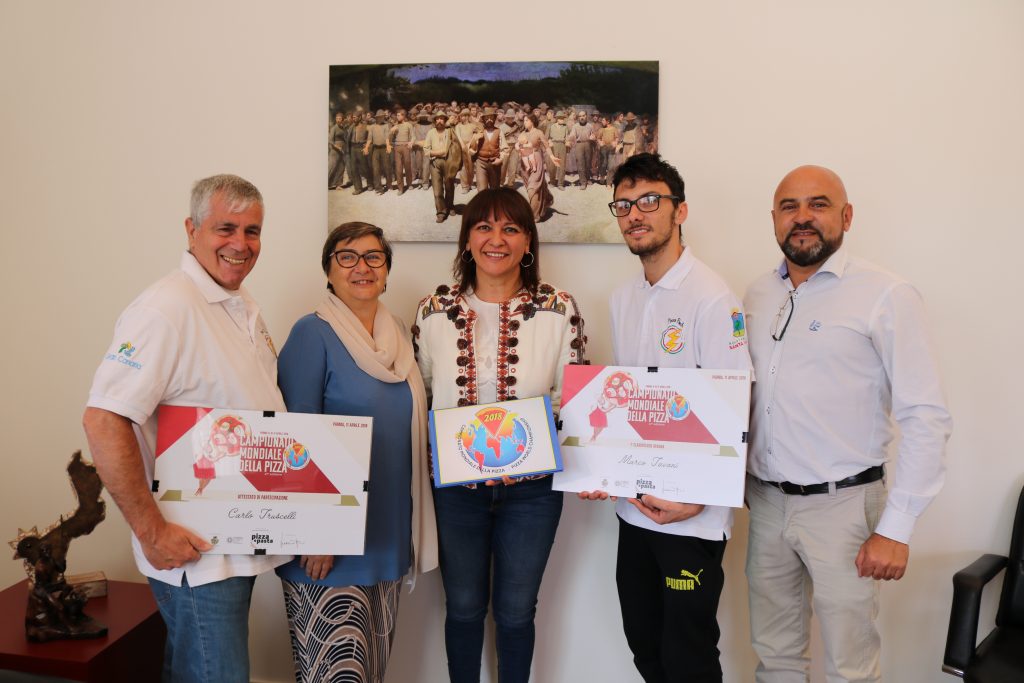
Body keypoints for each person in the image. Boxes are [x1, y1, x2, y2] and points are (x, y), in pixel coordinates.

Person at [743, 165, 953, 682]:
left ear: (847, 216)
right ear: (773, 219)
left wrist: (896, 528)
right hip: (765, 505)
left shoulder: (886, 294)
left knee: (850, 667)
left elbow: (925, 415)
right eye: (789, 207)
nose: (803, 217)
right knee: (775, 657)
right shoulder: (757, 294)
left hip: (845, 508)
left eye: (818, 204)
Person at [82, 174, 288, 683]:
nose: (241, 244)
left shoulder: (238, 303)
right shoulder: (166, 309)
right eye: (225, 228)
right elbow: (104, 419)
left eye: (253, 231)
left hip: (233, 543)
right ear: (191, 230)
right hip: (196, 554)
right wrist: (152, 532)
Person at [579, 153, 751, 683]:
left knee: (688, 655)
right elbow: (628, 399)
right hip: (635, 510)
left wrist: (702, 499)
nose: (635, 214)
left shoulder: (713, 297)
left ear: (680, 211)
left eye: (650, 201)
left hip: (690, 516)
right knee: (646, 647)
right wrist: (601, 467)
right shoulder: (623, 298)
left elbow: (735, 403)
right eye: (624, 204)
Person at [412, 188, 586, 683]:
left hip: (532, 492)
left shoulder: (559, 308)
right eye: (484, 227)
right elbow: (422, 395)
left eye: (511, 228)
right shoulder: (433, 310)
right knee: (463, 607)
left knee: (516, 611)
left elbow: (570, 398)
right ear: (467, 239)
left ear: (528, 241)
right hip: (455, 492)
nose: (497, 239)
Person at [274, 222, 437, 683]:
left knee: (372, 672)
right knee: (335, 674)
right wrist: (316, 533)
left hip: (386, 532)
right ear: (328, 270)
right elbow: (295, 438)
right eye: (347, 256)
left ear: (386, 271)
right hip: (329, 544)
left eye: (373, 257)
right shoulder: (311, 334)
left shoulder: (397, 335)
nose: (361, 267)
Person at [416, 112, 462, 223]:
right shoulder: (431, 132)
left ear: (445, 120)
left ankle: (450, 206)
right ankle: (441, 212)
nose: (439, 121)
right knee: (437, 190)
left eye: (442, 119)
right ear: (434, 121)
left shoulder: (450, 131)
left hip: (448, 162)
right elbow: (426, 149)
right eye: (437, 119)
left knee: (449, 186)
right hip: (435, 163)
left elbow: (456, 146)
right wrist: (439, 152)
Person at [517, 114, 558, 222]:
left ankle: (534, 216)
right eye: (524, 120)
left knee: (533, 188)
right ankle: (546, 198)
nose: (524, 122)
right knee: (530, 187)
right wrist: (518, 146)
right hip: (525, 163)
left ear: (532, 121)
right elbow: (518, 144)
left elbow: (546, 146)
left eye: (526, 120)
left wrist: (552, 157)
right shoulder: (523, 133)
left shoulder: (539, 132)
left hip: (536, 160)